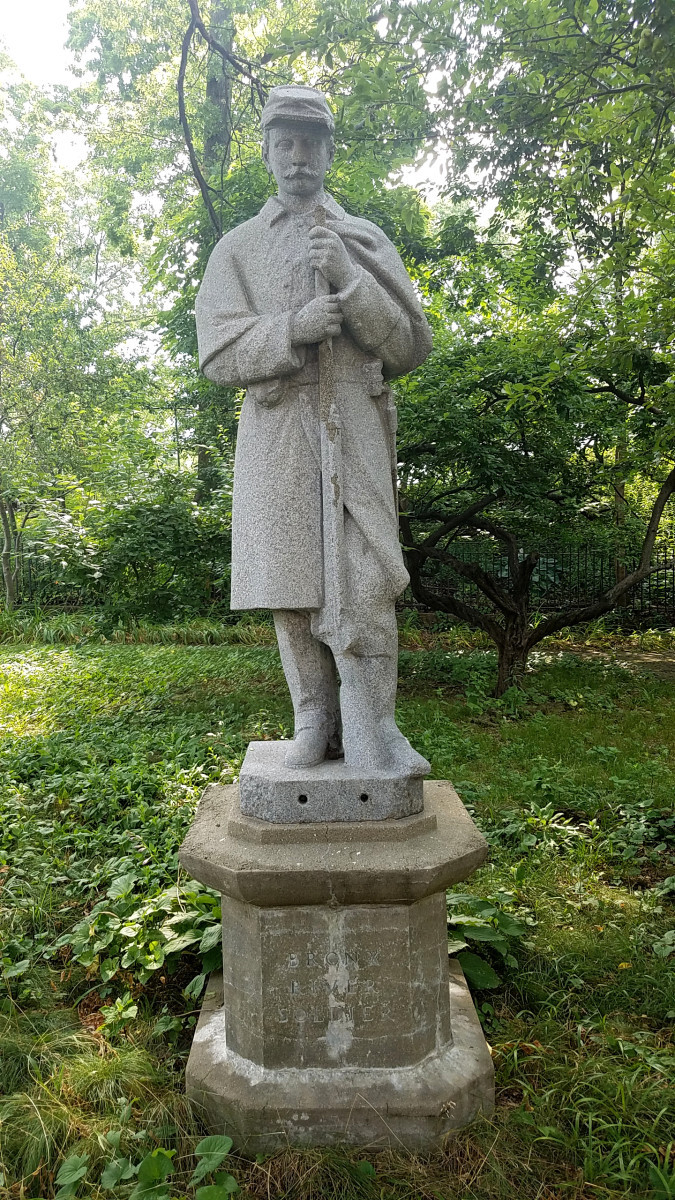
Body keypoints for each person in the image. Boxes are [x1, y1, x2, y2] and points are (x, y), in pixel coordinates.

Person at [196, 84, 432, 774]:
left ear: (329, 151)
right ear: (268, 154)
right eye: (285, 143)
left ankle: (374, 731)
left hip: (354, 425)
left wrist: (352, 284)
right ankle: (313, 724)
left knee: (363, 580)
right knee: (291, 587)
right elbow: (216, 353)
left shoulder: (363, 237)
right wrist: (289, 331)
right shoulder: (237, 249)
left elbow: (409, 345)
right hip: (278, 432)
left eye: (311, 142)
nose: (298, 155)